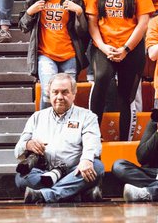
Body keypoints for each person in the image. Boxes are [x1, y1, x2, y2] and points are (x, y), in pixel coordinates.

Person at [86, 0, 155, 141]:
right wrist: (102, 46)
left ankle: (124, 141)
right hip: (104, 46)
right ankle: (92, 135)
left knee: (126, 96)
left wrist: (126, 48)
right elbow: (92, 23)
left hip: (130, 48)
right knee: (101, 78)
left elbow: (143, 22)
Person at [13, 71, 103, 204]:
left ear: (74, 93)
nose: (59, 97)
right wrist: (27, 144)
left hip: (75, 171)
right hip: (45, 173)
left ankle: (46, 195)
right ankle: (74, 193)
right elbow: (17, 151)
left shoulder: (87, 116)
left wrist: (86, 160)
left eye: (65, 92)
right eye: (55, 92)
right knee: (21, 178)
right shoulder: (37, 117)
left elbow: (92, 144)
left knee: (96, 166)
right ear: (49, 94)